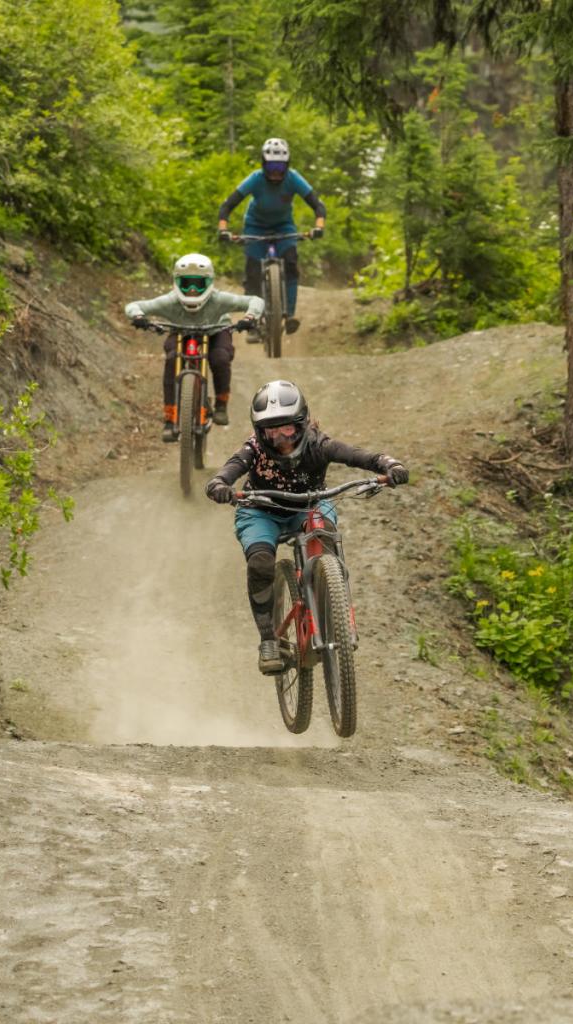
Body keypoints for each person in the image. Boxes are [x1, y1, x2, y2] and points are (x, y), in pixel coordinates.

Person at [205, 379, 409, 674]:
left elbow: (359, 456)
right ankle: (268, 641)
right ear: (259, 432)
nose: (280, 439)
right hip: (261, 510)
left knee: (325, 536)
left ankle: (333, 602)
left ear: (302, 425)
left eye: (287, 428)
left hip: (310, 504)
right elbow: (230, 468)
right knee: (261, 563)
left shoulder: (319, 444)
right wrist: (219, 483)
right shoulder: (253, 449)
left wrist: (390, 465)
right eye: (270, 431)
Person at [125, 253, 264, 442]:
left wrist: (250, 317)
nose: (191, 289)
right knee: (172, 359)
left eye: (198, 284)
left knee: (220, 358)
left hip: (215, 331)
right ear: (176, 282)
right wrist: (138, 317)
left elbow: (255, 300)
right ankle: (170, 418)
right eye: (186, 283)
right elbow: (135, 305)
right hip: (180, 332)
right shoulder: (170, 301)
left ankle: (221, 405)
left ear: (209, 283)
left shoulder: (219, 299)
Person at [216, 137, 327, 335]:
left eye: (280, 166)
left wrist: (319, 226)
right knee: (252, 273)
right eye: (271, 166)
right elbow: (227, 205)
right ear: (264, 164)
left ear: (287, 166)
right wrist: (223, 229)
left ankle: (289, 314)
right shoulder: (255, 178)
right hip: (255, 227)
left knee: (291, 263)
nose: (276, 172)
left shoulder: (293, 178)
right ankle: (252, 319)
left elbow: (318, 205)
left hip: (284, 227)